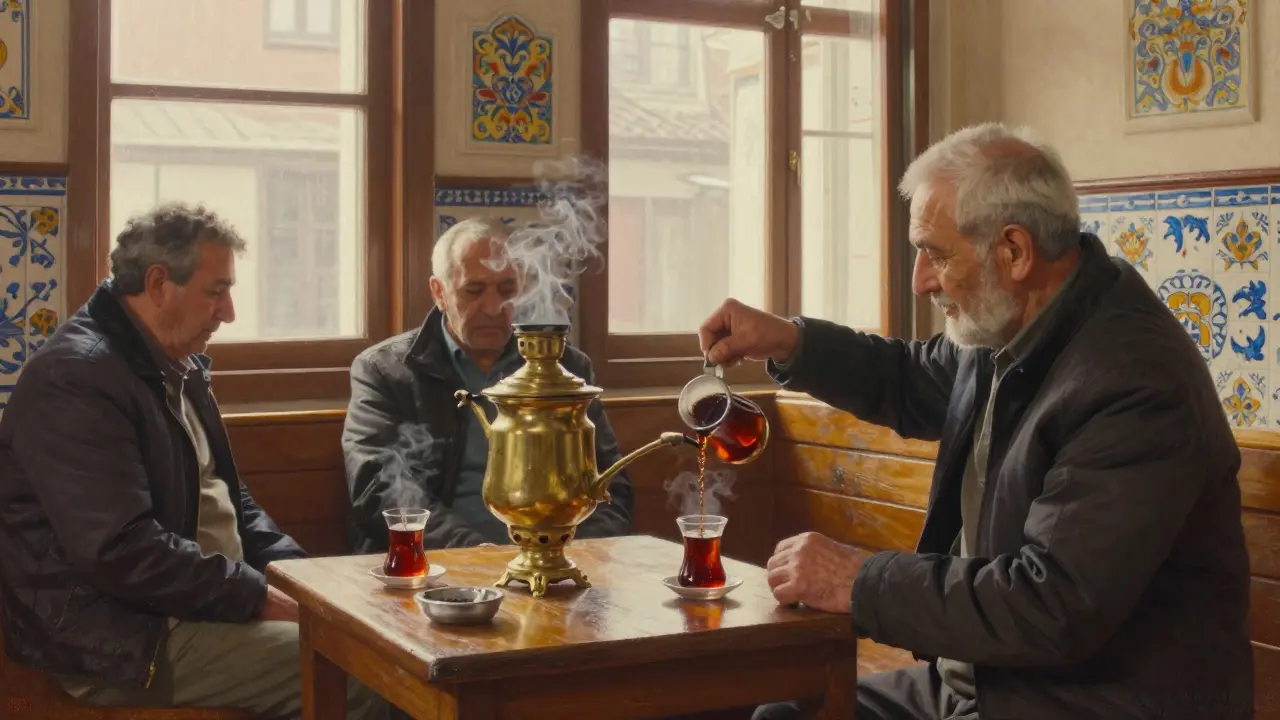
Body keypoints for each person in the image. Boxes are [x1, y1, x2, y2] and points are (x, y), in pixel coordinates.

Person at [699, 124, 1253, 719]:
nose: (920, 280)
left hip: (1088, 703)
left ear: (1013, 251)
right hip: (984, 687)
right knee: (783, 714)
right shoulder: (1012, 328)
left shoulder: (1134, 383)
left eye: (935, 254)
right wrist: (789, 342)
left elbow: (1053, 604)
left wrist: (859, 582)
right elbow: (909, 378)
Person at [0, 202, 385, 719]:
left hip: (190, 607)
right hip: (120, 640)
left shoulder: (174, 361)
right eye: (216, 291)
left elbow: (230, 500)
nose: (228, 313)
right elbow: (122, 550)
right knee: (363, 676)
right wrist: (261, 598)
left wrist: (312, 581)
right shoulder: (77, 380)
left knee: (378, 644)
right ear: (159, 283)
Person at [341, 216, 633, 552]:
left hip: (552, 561)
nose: (493, 307)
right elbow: (378, 488)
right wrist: (477, 555)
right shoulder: (386, 371)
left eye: (507, 290)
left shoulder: (566, 367)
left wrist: (574, 553)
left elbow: (611, 482)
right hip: (433, 564)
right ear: (439, 291)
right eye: (474, 290)